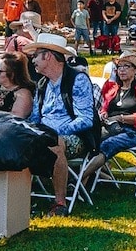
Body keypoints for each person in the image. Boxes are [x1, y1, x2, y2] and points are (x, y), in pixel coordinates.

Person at [28, 33, 97, 215]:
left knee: (55, 142)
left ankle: (60, 203)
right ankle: (22, 197)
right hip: (44, 134)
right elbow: (35, 117)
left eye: (36, 55)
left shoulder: (77, 80)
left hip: (76, 138)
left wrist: (53, 132)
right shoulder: (42, 83)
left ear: (48, 56)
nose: (32, 60)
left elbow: (86, 119)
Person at [83, 53, 136, 179]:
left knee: (109, 143)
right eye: (119, 67)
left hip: (135, 132)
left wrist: (120, 118)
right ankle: (88, 181)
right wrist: (104, 114)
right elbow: (104, 109)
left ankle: (77, 179)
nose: (121, 70)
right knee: (88, 139)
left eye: (126, 66)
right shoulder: (114, 88)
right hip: (111, 127)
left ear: (135, 70)